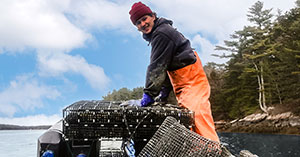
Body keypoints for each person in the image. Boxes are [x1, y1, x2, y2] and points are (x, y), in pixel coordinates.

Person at [129, 2, 219, 142]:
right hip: (183, 81)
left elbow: (157, 67)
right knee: (189, 120)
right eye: (138, 23)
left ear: (153, 16)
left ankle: (213, 151)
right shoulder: (159, 32)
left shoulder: (161, 34)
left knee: (198, 117)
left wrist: (149, 95)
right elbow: (167, 65)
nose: (142, 24)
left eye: (144, 19)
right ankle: (198, 150)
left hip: (191, 80)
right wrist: (164, 92)